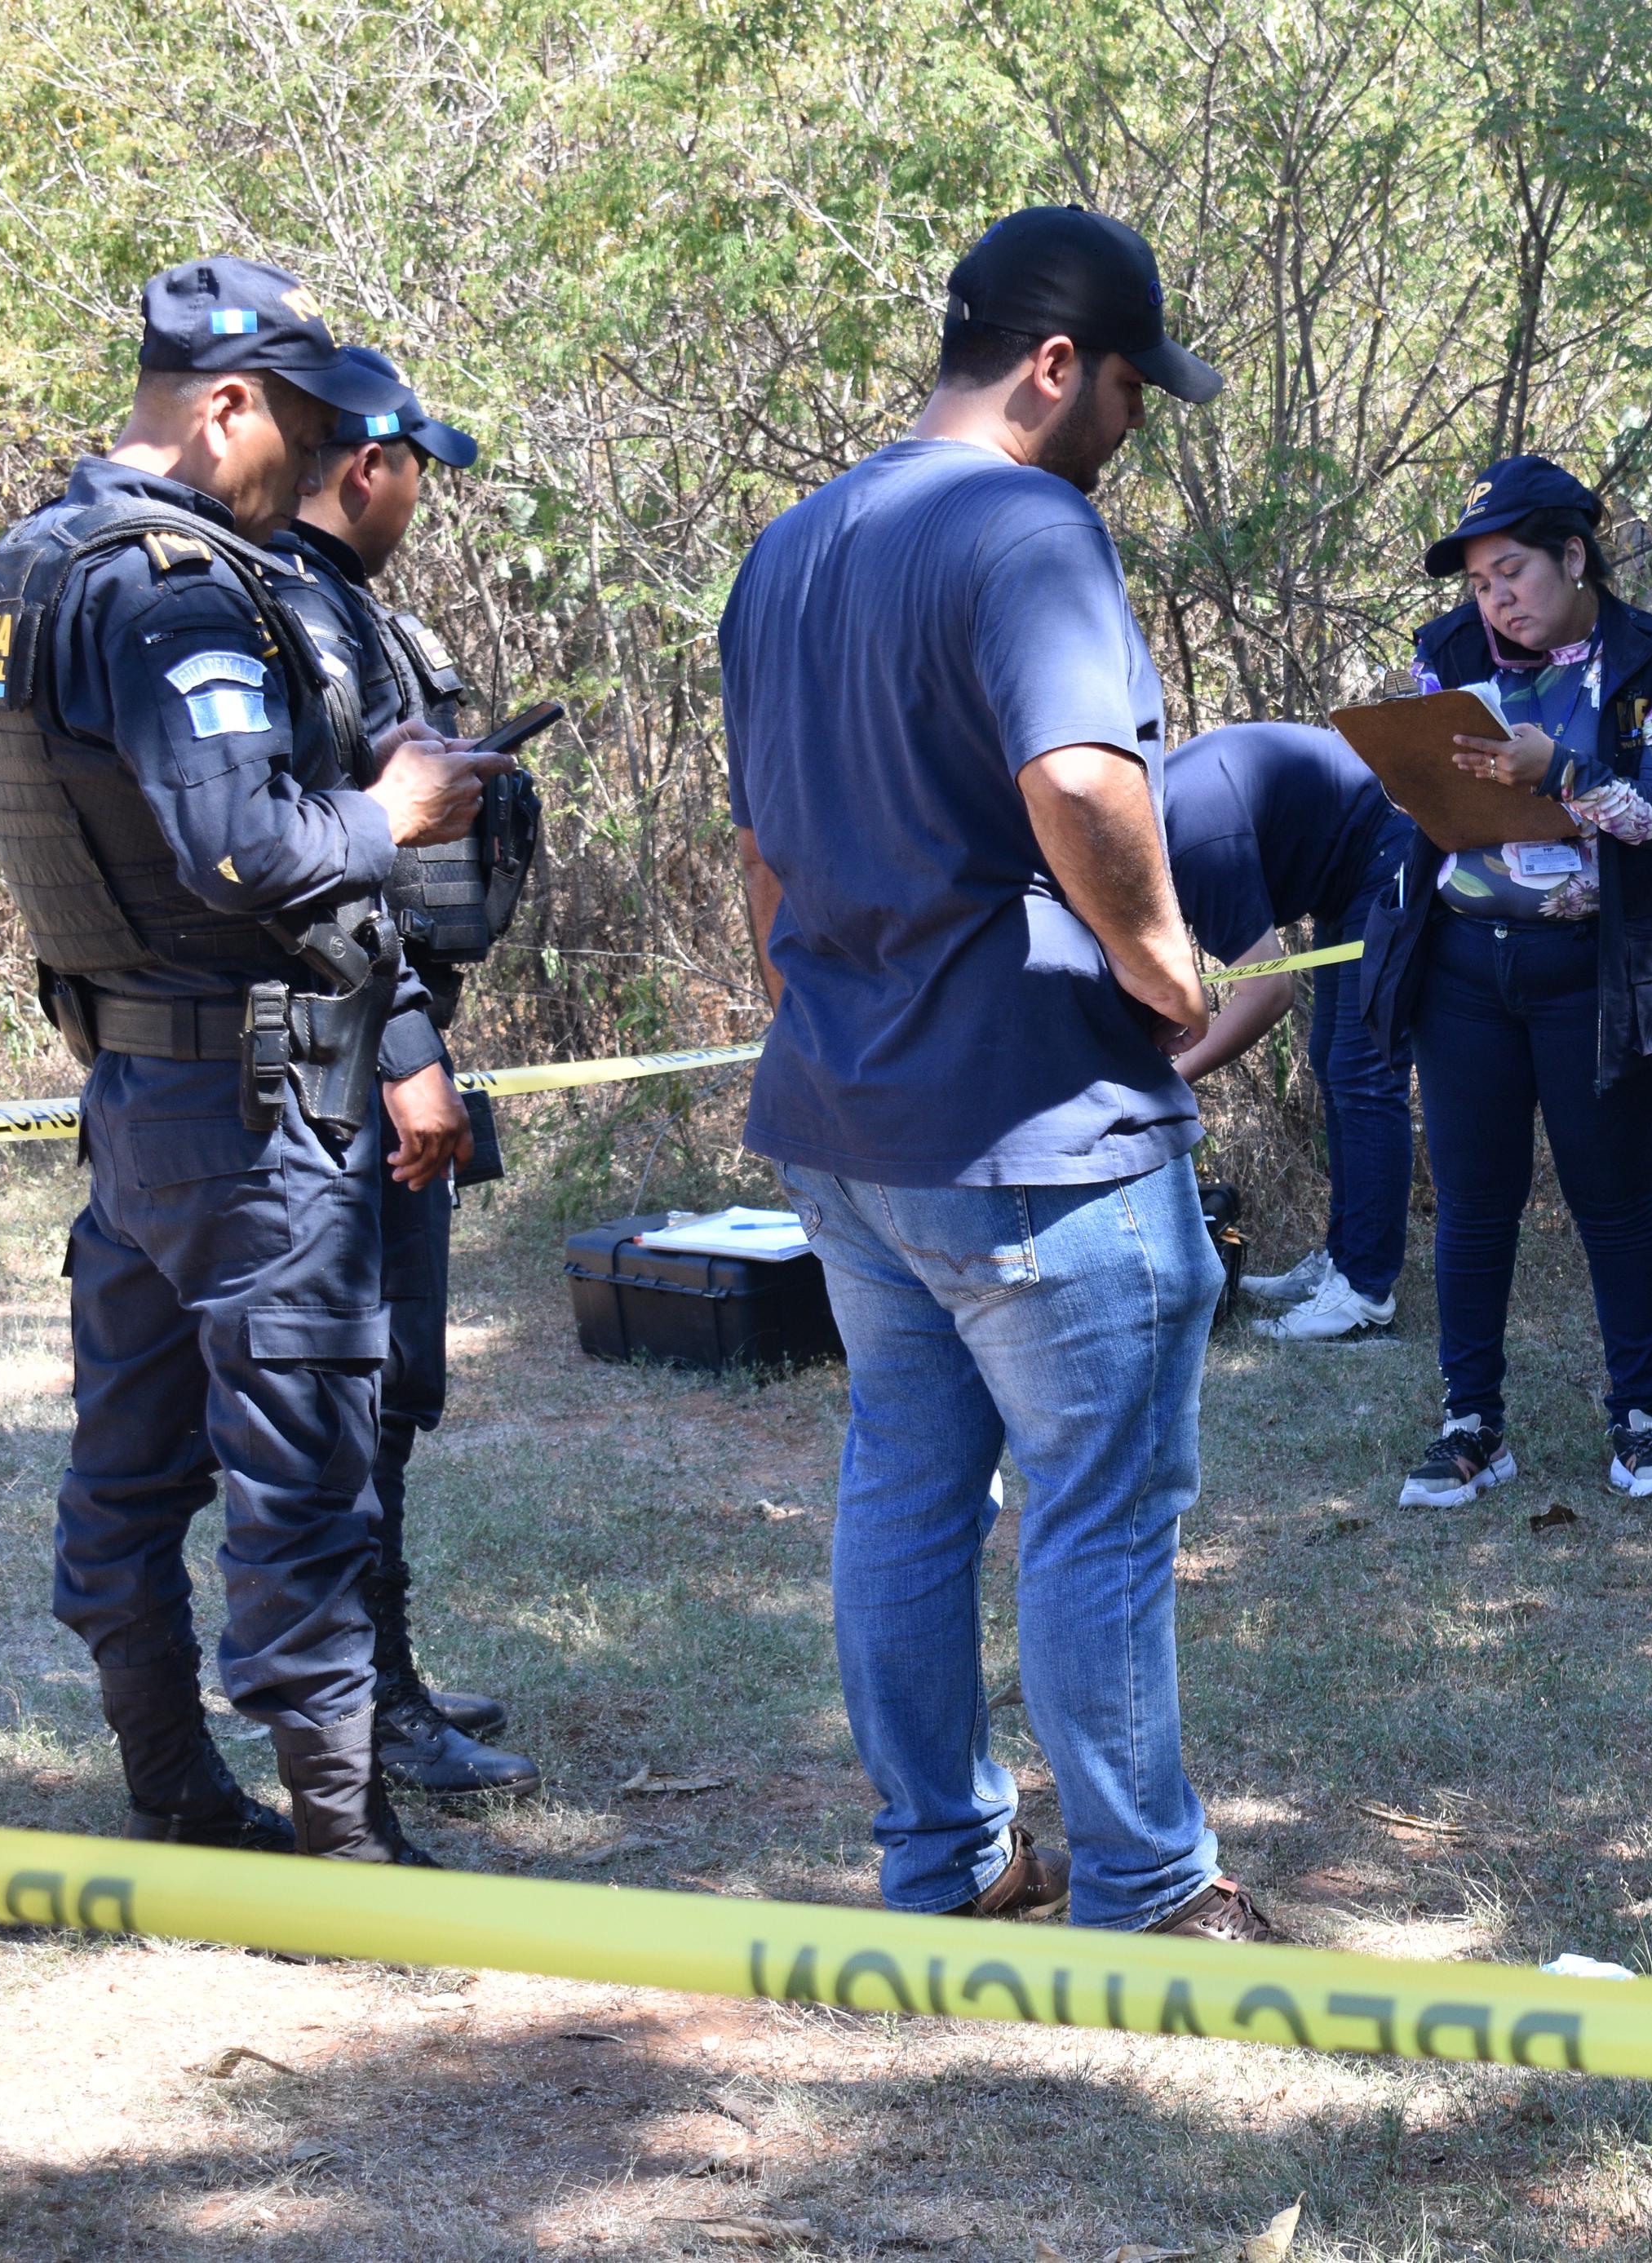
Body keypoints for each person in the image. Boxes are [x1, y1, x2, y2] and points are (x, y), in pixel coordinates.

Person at [720, 206, 1281, 1942]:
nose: (1134, 424)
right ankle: (1145, 1885)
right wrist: (1169, 967)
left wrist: (823, 999)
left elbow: (761, 854)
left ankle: (943, 1864)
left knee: (904, 1492)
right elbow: (1086, 779)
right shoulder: (1025, 526)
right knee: (1099, 1512)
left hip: (845, 1115)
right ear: (1053, 368)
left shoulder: (790, 547)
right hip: (1035, 1127)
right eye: (1128, 387)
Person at [0, 258, 512, 1863]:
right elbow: (241, 848)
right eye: (295, 430)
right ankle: (340, 1845)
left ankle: (175, 1790)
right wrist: (393, 816)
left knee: (124, 1470)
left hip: (126, 1091)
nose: (306, 471)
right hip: (251, 1107)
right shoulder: (173, 588)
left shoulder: (7, 575)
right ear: (225, 407)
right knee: (300, 1462)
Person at [263, 348, 541, 1799]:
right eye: (419, 465)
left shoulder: (322, 604)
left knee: (387, 1390)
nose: (425, 493)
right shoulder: (299, 614)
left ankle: (389, 1676)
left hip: (371, 1040)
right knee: (358, 1393)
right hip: (353, 1055)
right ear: (370, 465)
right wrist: (413, 1051)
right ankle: (366, 1707)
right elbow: (320, 876)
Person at [1357, 455, 1652, 1510]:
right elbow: (1417, 805)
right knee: (1473, 1205)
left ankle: (1642, 1423)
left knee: (1614, 1202)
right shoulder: (1447, 654)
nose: (1496, 600)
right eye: (1478, 583)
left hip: (1599, 975)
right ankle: (1470, 1425)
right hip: (1465, 967)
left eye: (1512, 572)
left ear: (1575, 555)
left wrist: (1556, 772)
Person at [1159, 721, 1417, 1342]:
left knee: (1364, 1073)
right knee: (1334, 1061)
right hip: (1344, 876)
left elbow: (1267, 993)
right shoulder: (1149, 831)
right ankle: (1342, 1259)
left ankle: (1365, 1294)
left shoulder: (1194, 845)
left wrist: (1168, 1082)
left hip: (1386, 847)